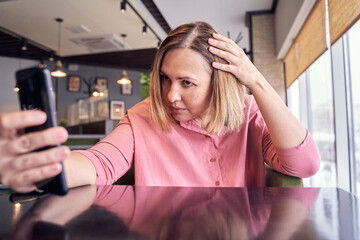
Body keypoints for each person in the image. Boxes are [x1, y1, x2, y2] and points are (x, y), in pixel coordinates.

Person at [0, 22, 320, 193]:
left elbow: (303, 165)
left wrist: (257, 82)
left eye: (186, 82)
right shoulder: (144, 115)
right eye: (165, 79)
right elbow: (99, 163)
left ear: (219, 81)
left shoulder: (248, 113)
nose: (170, 95)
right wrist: (40, 168)